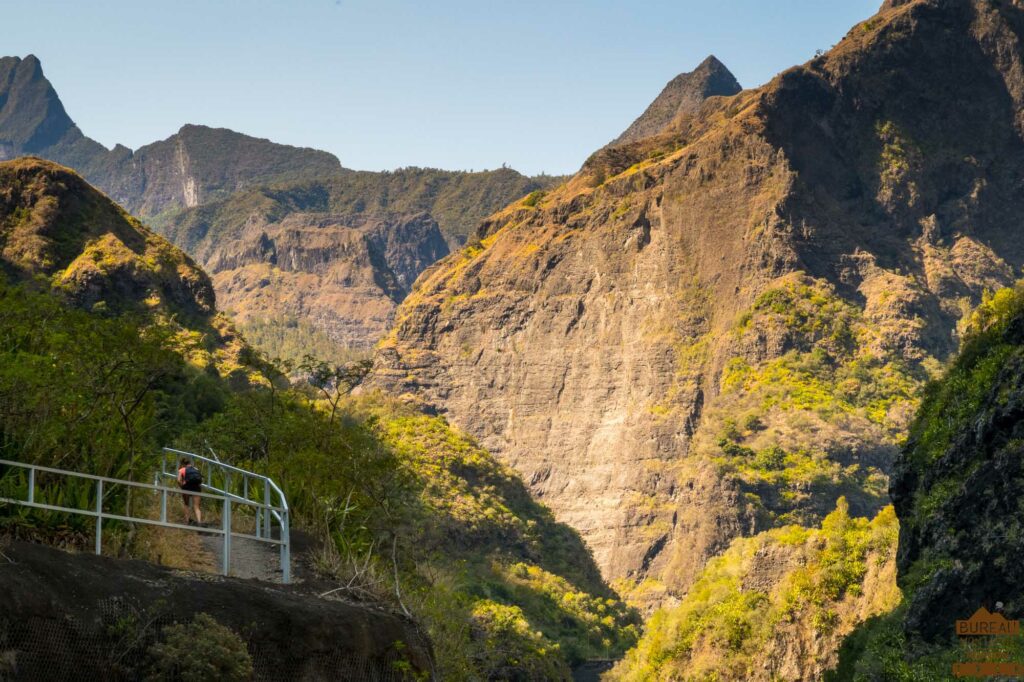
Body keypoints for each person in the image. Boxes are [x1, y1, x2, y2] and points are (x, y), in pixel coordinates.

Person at [177, 457, 204, 526]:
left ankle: (187, 522)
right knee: (197, 507)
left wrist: (182, 486)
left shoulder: (182, 469)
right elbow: (200, 480)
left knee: (186, 504)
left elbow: (178, 480)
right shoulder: (196, 469)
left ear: (183, 464)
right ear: (190, 463)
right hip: (196, 488)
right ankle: (199, 522)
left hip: (187, 487)